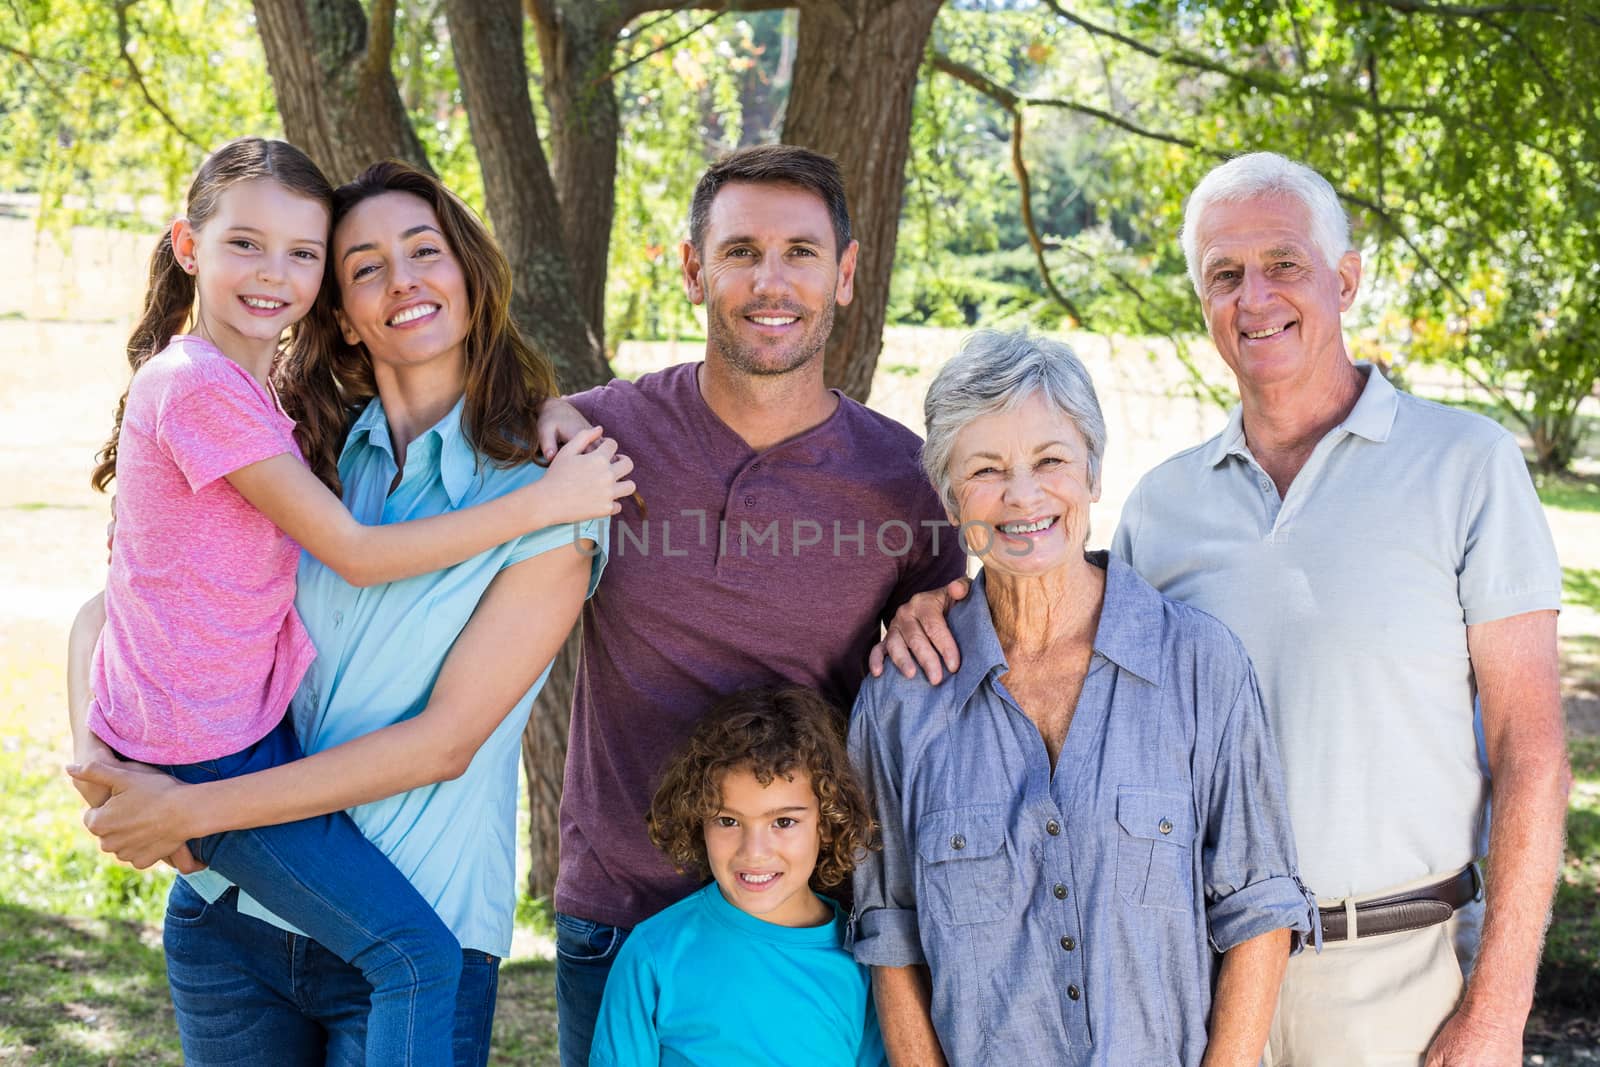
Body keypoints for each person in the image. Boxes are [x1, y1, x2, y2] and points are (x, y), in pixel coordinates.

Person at [875, 154, 1569, 1066]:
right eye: (1224, 274)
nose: (1256, 297)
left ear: (1347, 279)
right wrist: (941, 605)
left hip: (1395, 975)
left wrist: (1496, 1010)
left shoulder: (1466, 466)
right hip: (1190, 986)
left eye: (1284, 263)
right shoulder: (1162, 507)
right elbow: (1054, 605)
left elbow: (1533, 748)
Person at [68, 136, 629, 1067]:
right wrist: (106, 770)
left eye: (424, 250)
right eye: (365, 266)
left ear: (469, 275)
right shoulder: (305, 453)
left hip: (416, 934)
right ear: (346, 312)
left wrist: (190, 811)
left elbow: (443, 744)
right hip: (228, 917)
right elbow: (114, 608)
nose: (401, 279)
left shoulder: (551, 495)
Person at [534, 144, 967, 1066]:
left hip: (802, 926)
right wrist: (528, 412)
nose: (771, 282)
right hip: (620, 907)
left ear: (846, 274)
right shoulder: (601, 434)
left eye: (802, 253)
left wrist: (938, 609)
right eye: (740, 252)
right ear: (694, 268)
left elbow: (950, 655)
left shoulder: (903, 481)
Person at [850, 328, 1313, 1065]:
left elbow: (1260, 909)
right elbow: (891, 930)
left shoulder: (1199, 665)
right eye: (987, 470)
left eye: (1050, 460)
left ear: (1095, 473)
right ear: (949, 495)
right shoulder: (902, 703)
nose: (1024, 494)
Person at [590, 687, 887, 1067]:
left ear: (827, 823)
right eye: (728, 821)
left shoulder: (861, 963)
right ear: (700, 820)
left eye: (784, 821)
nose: (755, 851)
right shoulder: (653, 953)